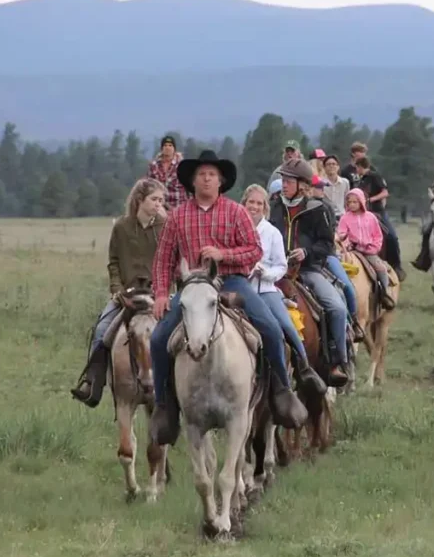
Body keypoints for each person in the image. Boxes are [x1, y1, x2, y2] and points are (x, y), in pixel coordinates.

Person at [148, 150, 316, 446]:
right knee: (159, 337)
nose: (207, 179)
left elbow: (254, 250)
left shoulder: (236, 213)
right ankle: (165, 407)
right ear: (192, 180)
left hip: (234, 282)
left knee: (271, 328)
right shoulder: (177, 217)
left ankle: (281, 393)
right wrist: (161, 293)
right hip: (193, 288)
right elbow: (163, 259)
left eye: (212, 174)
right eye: (201, 174)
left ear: (221, 180)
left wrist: (223, 254)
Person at [70, 178, 166, 407]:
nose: (158, 204)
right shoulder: (121, 227)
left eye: (161, 200)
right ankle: (92, 382)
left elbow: (170, 263)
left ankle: (179, 390)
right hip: (127, 295)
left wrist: (164, 289)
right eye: (154, 199)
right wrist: (117, 290)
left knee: (179, 334)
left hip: (157, 294)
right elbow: (113, 262)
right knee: (103, 330)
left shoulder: (165, 228)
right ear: (139, 200)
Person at [269, 158, 351, 388]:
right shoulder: (275, 206)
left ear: (302, 184)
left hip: (309, 269)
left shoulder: (318, 208)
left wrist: (306, 252)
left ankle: (336, 362)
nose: (283, 184)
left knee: (336, 308)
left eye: (288, 181)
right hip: (277, 272)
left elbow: (327, 245)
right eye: (282, 180)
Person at [241, 184, 328, 397]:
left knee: (286, 326)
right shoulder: (233, 227)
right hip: (239, 287)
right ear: (243, 203)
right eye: (250, 202)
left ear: (265, 208)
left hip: (265, 289)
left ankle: (302, 369)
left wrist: (265, 273)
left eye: (259, 203)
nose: (254, 206)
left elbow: (281, 266)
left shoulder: (272, 233)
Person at [310, 175, 364, 341]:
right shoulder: (302, 206)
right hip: (307, 261)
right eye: (316, 187)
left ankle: (354, 321)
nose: (319, 190)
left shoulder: (327, 207)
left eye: (320, 187)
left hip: (326, 254)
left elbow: (331, 233)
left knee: (346, 286)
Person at [336, 188, 396, 310]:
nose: (352, 205)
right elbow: (341, 233)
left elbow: (378, 236)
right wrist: (345, 242)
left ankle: (385, 294)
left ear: (361, 202)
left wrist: (373, 248)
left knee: (381, 268)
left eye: (355, 202)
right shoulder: (345, 218)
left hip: (369, 251)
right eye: (349, 202)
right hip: (352, 250)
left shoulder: (371, 217)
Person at [354, 156, 406, 280]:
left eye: (357, 167)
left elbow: (385, 192)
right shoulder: (360, 181)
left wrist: (371, 199)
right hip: (363, 213)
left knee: (391, 236)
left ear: (360, 166)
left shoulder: (374, 176)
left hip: (377, 211)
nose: (356, 170)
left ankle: (396, 265)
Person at [146, 134, 188, 210]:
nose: (167, 148)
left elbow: (189, 187)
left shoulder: (182, 165)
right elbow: (148, 186)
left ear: (174, 149)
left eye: (170, 145)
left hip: (178, 206)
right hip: (159, 207)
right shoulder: (154, 165)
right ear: (162, 148)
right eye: (165, 145)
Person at [322, 155, 351, 219]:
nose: (331, 166)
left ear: (338, 167)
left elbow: (347, 200)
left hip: (342, 216)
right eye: (328, 164)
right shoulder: (321, 183)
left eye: (334, 164)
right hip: (326, 216)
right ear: (324, 167)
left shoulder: (345, 182)